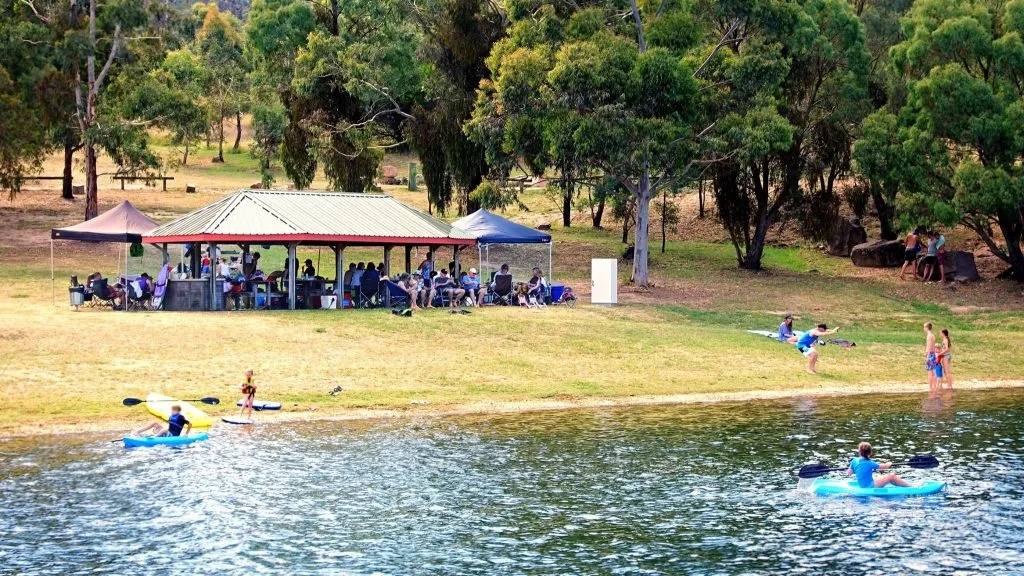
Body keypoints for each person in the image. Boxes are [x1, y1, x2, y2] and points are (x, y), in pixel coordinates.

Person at [924, 322, 938, 391]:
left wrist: (927, 356)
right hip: (933, 354)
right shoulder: (933, 335)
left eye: (924, 327)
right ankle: (934, 387)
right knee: (933, 372)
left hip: (930, 355)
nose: (923, 328)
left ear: (927, 328)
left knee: (930, 372)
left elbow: (929, 346)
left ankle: (930, 388)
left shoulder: (929, 336)